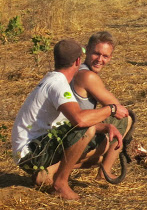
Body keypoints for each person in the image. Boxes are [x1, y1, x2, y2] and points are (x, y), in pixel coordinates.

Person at [11, 38, 130, 200]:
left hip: (32, 148)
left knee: (90, 134)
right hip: (32, 153)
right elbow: (79, 121)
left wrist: (106, 127)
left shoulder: (53, 79)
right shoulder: (58, 85)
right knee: (86, 129)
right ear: (77, 61)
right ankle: (59, 184)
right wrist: (111, 109)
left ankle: (48, 173)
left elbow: (66, 122)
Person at [70, 31, 131, 181]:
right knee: (126, 120)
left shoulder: (75, 69)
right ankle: (104, 173)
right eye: (96, 54)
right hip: (74, 132)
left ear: (111, 57)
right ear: (87, 50)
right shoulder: (88, 76)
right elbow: (118, 108)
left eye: (105, 56)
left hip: (72, 126)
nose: (100, 60)